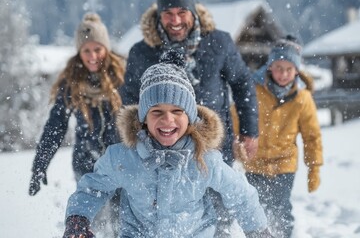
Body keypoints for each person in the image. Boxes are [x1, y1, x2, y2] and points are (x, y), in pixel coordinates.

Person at [62, 51, 273, 238]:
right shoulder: (124, 157)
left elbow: (240, 195)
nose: (167, 120)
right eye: (157, 112)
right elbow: (93, 188)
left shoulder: (204, 159)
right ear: (143, 118)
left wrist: (257, 231)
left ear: (189, 117)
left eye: (177, 111)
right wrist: (78, 218)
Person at [121, 0, 259, 165]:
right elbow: (130, 99)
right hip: (160, 151)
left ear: (193, 13)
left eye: (182, 12)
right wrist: (136, 141)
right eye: (168, 14)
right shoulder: (141, 52)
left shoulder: (219, 42)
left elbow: (242, 83)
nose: (175, 20)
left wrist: (249, 131)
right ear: (159, 15)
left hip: (214, 149)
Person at [28, 12, 125, 235]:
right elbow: (55, 126)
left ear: (106, 48)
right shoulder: (71, 82)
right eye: (86, 50)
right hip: (87, 166)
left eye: (97, 49)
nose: (92, 56)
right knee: (94, 224)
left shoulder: (124, 77)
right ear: (79, 52)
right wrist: (40, 165)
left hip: (122, 164)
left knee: (123, 225)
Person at [235, 35, 323, 238]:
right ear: (270, 67)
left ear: (297, 71)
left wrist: (314, 167)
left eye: (289, 69)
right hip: (254, 161)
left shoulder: (303, 98)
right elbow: (237, 117)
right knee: (255, 207)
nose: (284, 74)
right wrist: (237, 144)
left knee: (280, 208)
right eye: (279, 67)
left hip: (284, 165)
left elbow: (312, 136)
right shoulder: (254, 90)